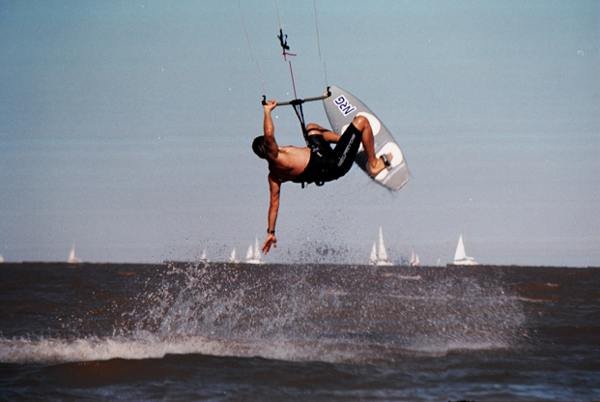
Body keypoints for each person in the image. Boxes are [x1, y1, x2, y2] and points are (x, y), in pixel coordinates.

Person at [252, 99, 392, 254]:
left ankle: (351, 139)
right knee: (362, 121)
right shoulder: (275, 157)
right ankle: (373, 164)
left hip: (321, 154)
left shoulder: (273, 175)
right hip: (334, 165)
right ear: (268, 148)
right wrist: (267, 111)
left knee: (311, 128)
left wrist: (271, 232)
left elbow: (274, 205)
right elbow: (269, 133)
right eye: (270, 142)